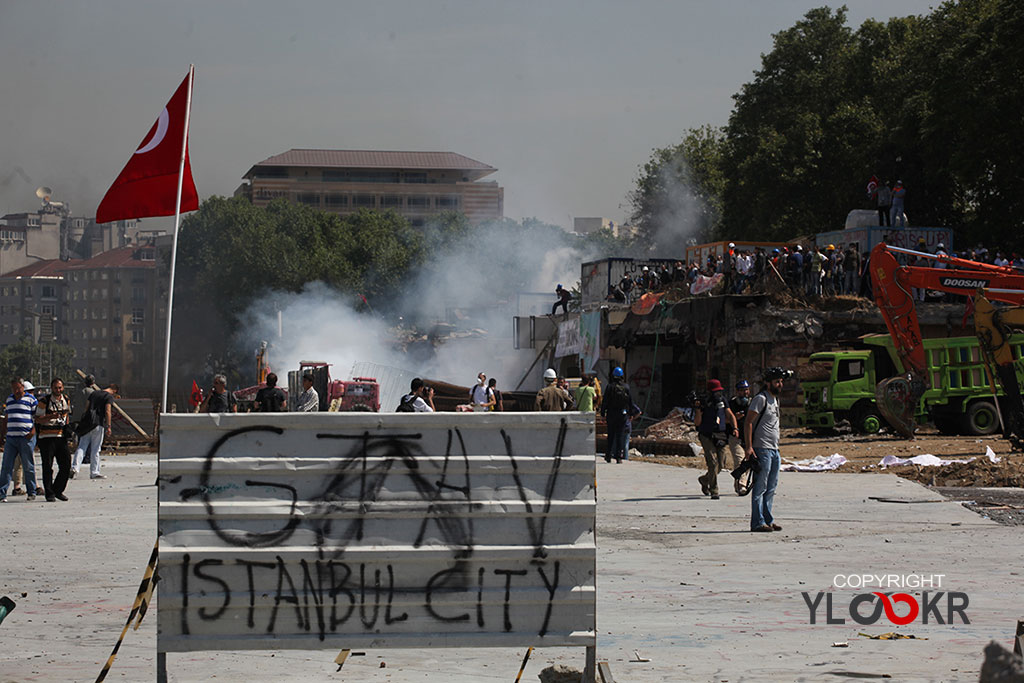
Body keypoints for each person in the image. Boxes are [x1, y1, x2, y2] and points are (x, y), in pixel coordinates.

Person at [743, 367, 789, 532]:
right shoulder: (760, 399)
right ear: (768, 383)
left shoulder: (775, 399)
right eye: (777, 381)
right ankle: (757, 523)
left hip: (774, 449)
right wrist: (749, 447)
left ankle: (768, 520)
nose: (780, 384)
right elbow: (748, 422)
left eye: (781, 381)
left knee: (771, 487)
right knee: (760, 487)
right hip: (761, 449)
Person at [695, 379, 738, 500]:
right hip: (706, 434)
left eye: (718, 391)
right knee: (712, 462)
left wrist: (735, 428)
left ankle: (704, 480)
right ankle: (714, 490)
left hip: (720, 434)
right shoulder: (704, 402)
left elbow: (730, 414)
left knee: (721, 464)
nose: (716, 394)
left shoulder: (722, 400)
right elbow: (697, 422)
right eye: (714, 392)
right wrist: (698, 409)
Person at [0, 377, 39, 502]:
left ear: (23, 387)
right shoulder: (10, 400)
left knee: (28, 466)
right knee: (6, 466)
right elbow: (6, 419)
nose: (16, 391)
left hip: (25, 438)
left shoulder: (31, 400)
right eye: (14, 388)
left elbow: (37, 418)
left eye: (18, 388)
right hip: (11, 438)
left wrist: (32, 432)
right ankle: (2, 493)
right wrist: (2, 435)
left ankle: (31, 491)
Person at [71, 383, 117, 480]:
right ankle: (94, 472)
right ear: (114, 390)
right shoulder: (108, 397)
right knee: (95, 449)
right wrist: (109, 426)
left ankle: (75, 468)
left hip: (87, 424)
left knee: (82, 446)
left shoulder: (94, 393)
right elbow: (108, 411)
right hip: (98, 424)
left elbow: (86, 408)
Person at [36, 378, 72, 502]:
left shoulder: (65, 399)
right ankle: (49, 493)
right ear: (52, 388)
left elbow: (67, 416)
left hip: (60, 437)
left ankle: (58, 490)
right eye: (56, 388)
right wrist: (50, 417)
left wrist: (67, 429)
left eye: (60, 387)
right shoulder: (44, 401)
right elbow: (38, 419)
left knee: (66, 465)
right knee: (47, 466)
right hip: (47, 438)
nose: (58, 390)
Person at [600, 367, 633, 463]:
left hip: (611, 414)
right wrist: (630, 413)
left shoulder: (610, 387)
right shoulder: (626, 387)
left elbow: (605, 401)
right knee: (620, 435)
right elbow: (630, 401)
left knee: (611, 435)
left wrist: (603, 414)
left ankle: (608, 456)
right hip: (622, 414)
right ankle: (619, 458)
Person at [728, 380, 752, 495]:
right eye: (742, 390)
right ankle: (742, 485)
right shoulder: (731, 404)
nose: (745, 393)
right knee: (739, 460)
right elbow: (723, 420)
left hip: (748, 438)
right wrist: (734, 419)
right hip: (735, 437)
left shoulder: (752, 403)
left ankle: (738, 484)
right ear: (737, 392)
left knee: (748, 461)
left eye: (746, 390)